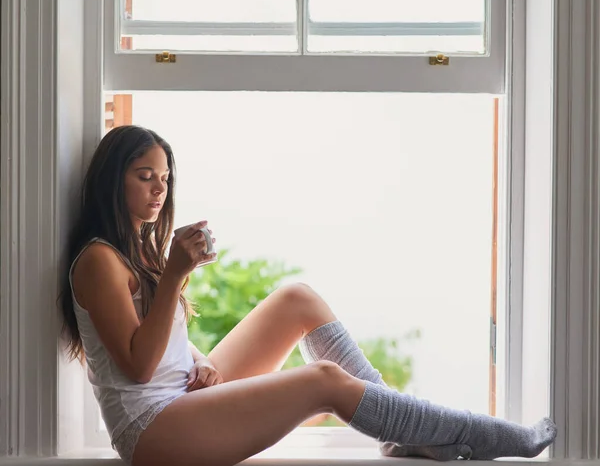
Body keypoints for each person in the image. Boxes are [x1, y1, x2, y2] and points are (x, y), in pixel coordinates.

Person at [58, 125, 557, 466]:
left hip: (183, 396)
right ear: (110, 180)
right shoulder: (99, 260)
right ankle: (487, 434)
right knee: (323, 380)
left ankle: (396, 428)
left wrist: (201, 359)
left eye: (164, 179)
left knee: (297, 298)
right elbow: (138, 368)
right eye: (144, 177)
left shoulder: (135, 250)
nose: (159, 191)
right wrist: (173, 277)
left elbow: (159, 340)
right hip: (152, 430)